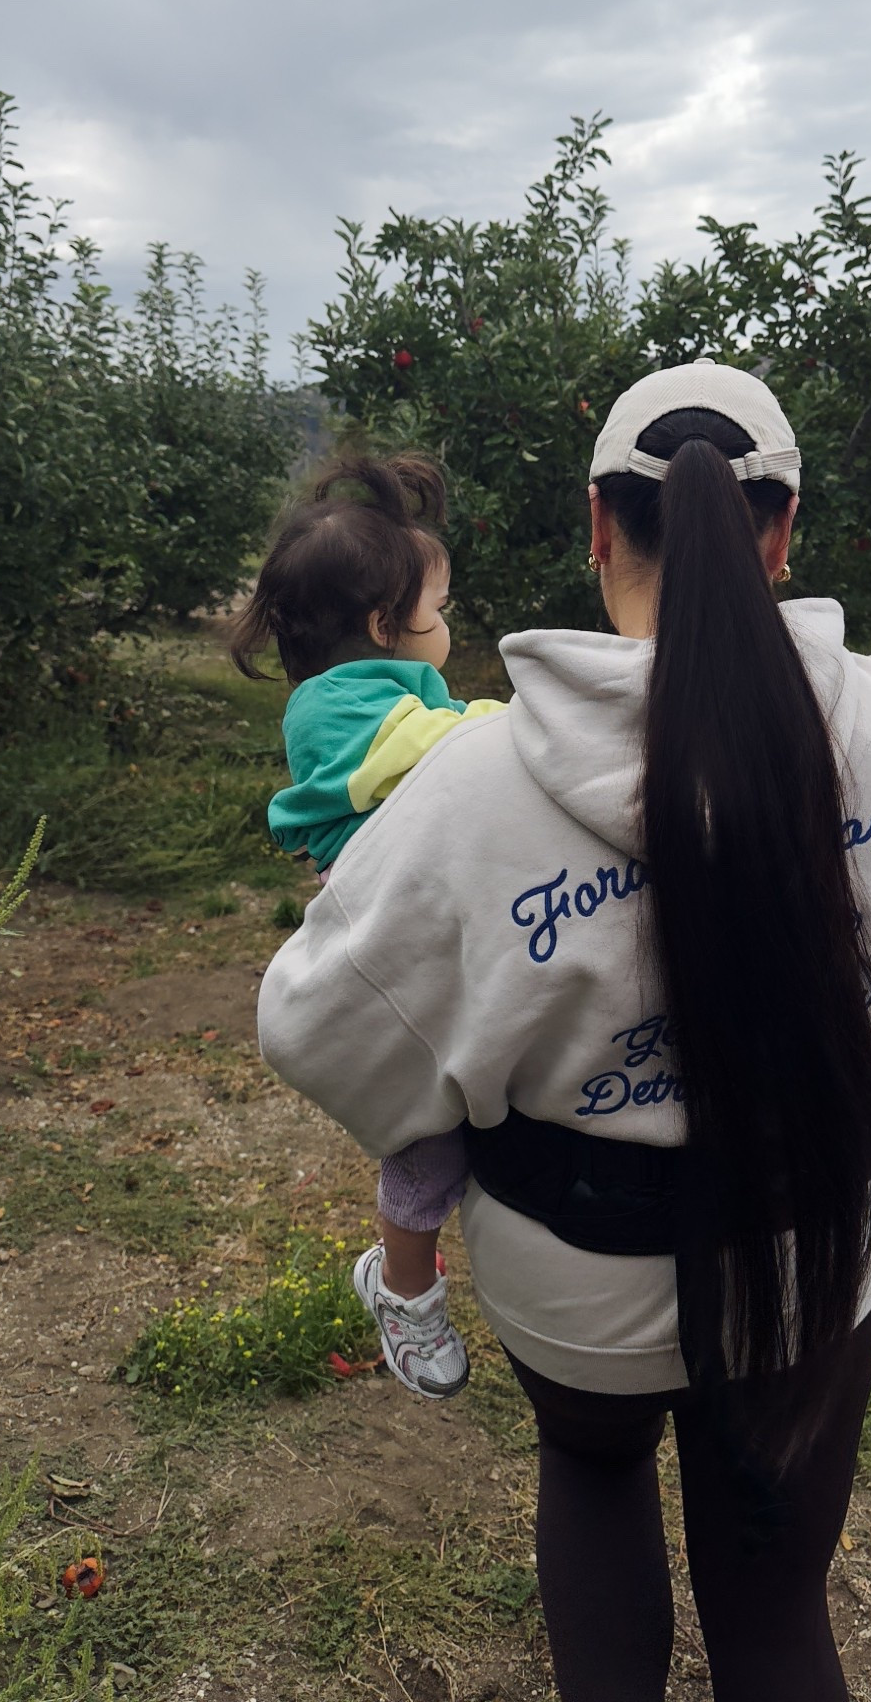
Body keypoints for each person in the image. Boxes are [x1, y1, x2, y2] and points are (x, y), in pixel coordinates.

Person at [257, 350, 871, 1700]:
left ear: (600, 529)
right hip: (812, 1258)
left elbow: (316, 1024)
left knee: (593, 1474)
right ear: (778, 536)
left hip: (576, 1274)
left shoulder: (466, 790)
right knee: (776, 1619)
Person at [230, 452, 504, 1399]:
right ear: (387, 626)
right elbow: (420, 755)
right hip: (394, 955)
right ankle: (403, 1290)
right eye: (438, 609)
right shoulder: (339, 706)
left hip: (434, 934)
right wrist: (512, 727)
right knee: (424, 1137)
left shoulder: (383, 688)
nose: (450, 623)